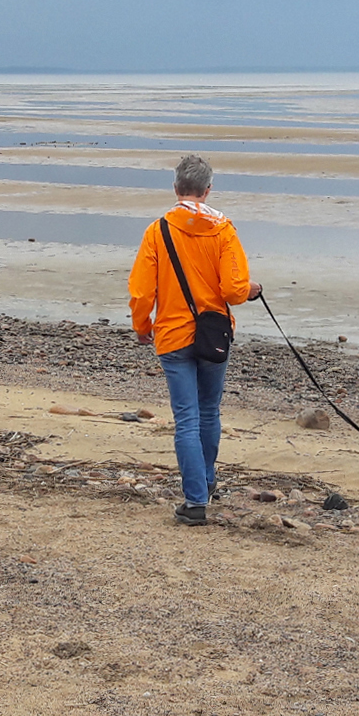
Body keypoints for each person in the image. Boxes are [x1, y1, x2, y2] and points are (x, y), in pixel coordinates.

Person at [127, 154, 261, 526]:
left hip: (172, 336)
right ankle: (205, 484)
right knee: (208, 411)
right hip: (213, 335)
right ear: (207, 189)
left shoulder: (158, 230)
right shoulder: (223, 230)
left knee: (187, 417)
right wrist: (252, 290)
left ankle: (197, 498)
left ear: (176, 188)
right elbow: (234, 290)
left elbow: (141, 291)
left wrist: (142, 326)